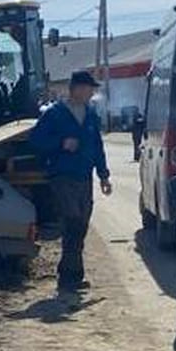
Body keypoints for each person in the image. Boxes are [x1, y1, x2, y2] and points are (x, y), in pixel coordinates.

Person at [29, 71, 112, 293]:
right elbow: (36, 140)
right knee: (72, 222)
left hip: (84, 177)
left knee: (81, 225)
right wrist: (61, 143)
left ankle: (73, 275)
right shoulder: (54, 114)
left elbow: (97, 147)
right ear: (74, 88)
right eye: (87, 88)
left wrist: (104, 175)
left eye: (92, 89)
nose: (91, 92)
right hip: (61, 175)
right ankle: (68, 278)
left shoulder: (91, 115)